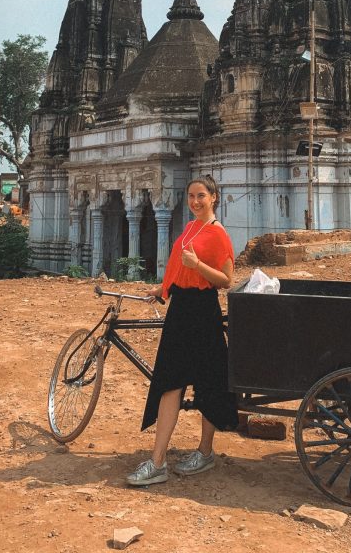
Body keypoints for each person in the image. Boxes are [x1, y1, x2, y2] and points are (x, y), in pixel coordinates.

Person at [126, 176, 238, 487]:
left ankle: (205, 452)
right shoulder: (189, 229)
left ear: (213, 197)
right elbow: (179, 269)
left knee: (208, 382)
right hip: (179, 311)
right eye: (191, 196)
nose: (195, 202)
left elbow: (226, 280)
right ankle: (157, 461)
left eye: (201, 195)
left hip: (203, 311)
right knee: (169, 383)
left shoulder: (218, 234)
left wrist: (198, 264)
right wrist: (161, 289)